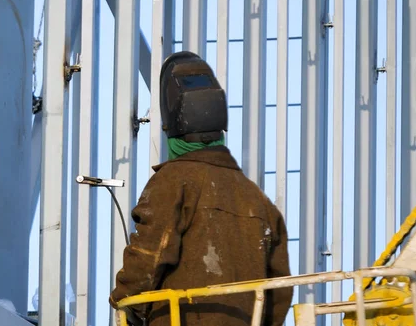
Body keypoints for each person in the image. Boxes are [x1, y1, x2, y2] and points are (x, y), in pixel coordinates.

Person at [109, 51, 293, 326]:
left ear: (171, 128)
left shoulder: (173, 181)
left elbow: (149, 256)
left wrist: (122, 299)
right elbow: (279, 294)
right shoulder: (260, 203)